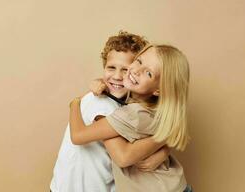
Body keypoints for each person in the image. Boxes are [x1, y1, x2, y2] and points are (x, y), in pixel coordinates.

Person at [50, 31, 170, 192]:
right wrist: (75, 102)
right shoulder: (102, 105)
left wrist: (164, 150)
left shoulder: (128, 106)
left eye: (125, 69)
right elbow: (124, 156)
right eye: (111, 68)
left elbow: (146, 134)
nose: (117, 76)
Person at [69, 44, 192, 192]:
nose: (136, 71)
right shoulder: (158, 108)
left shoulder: (134, 114)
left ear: (159, 90)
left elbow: (78, 136)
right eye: (139, 61)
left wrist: (75, 102)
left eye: (149, 73)